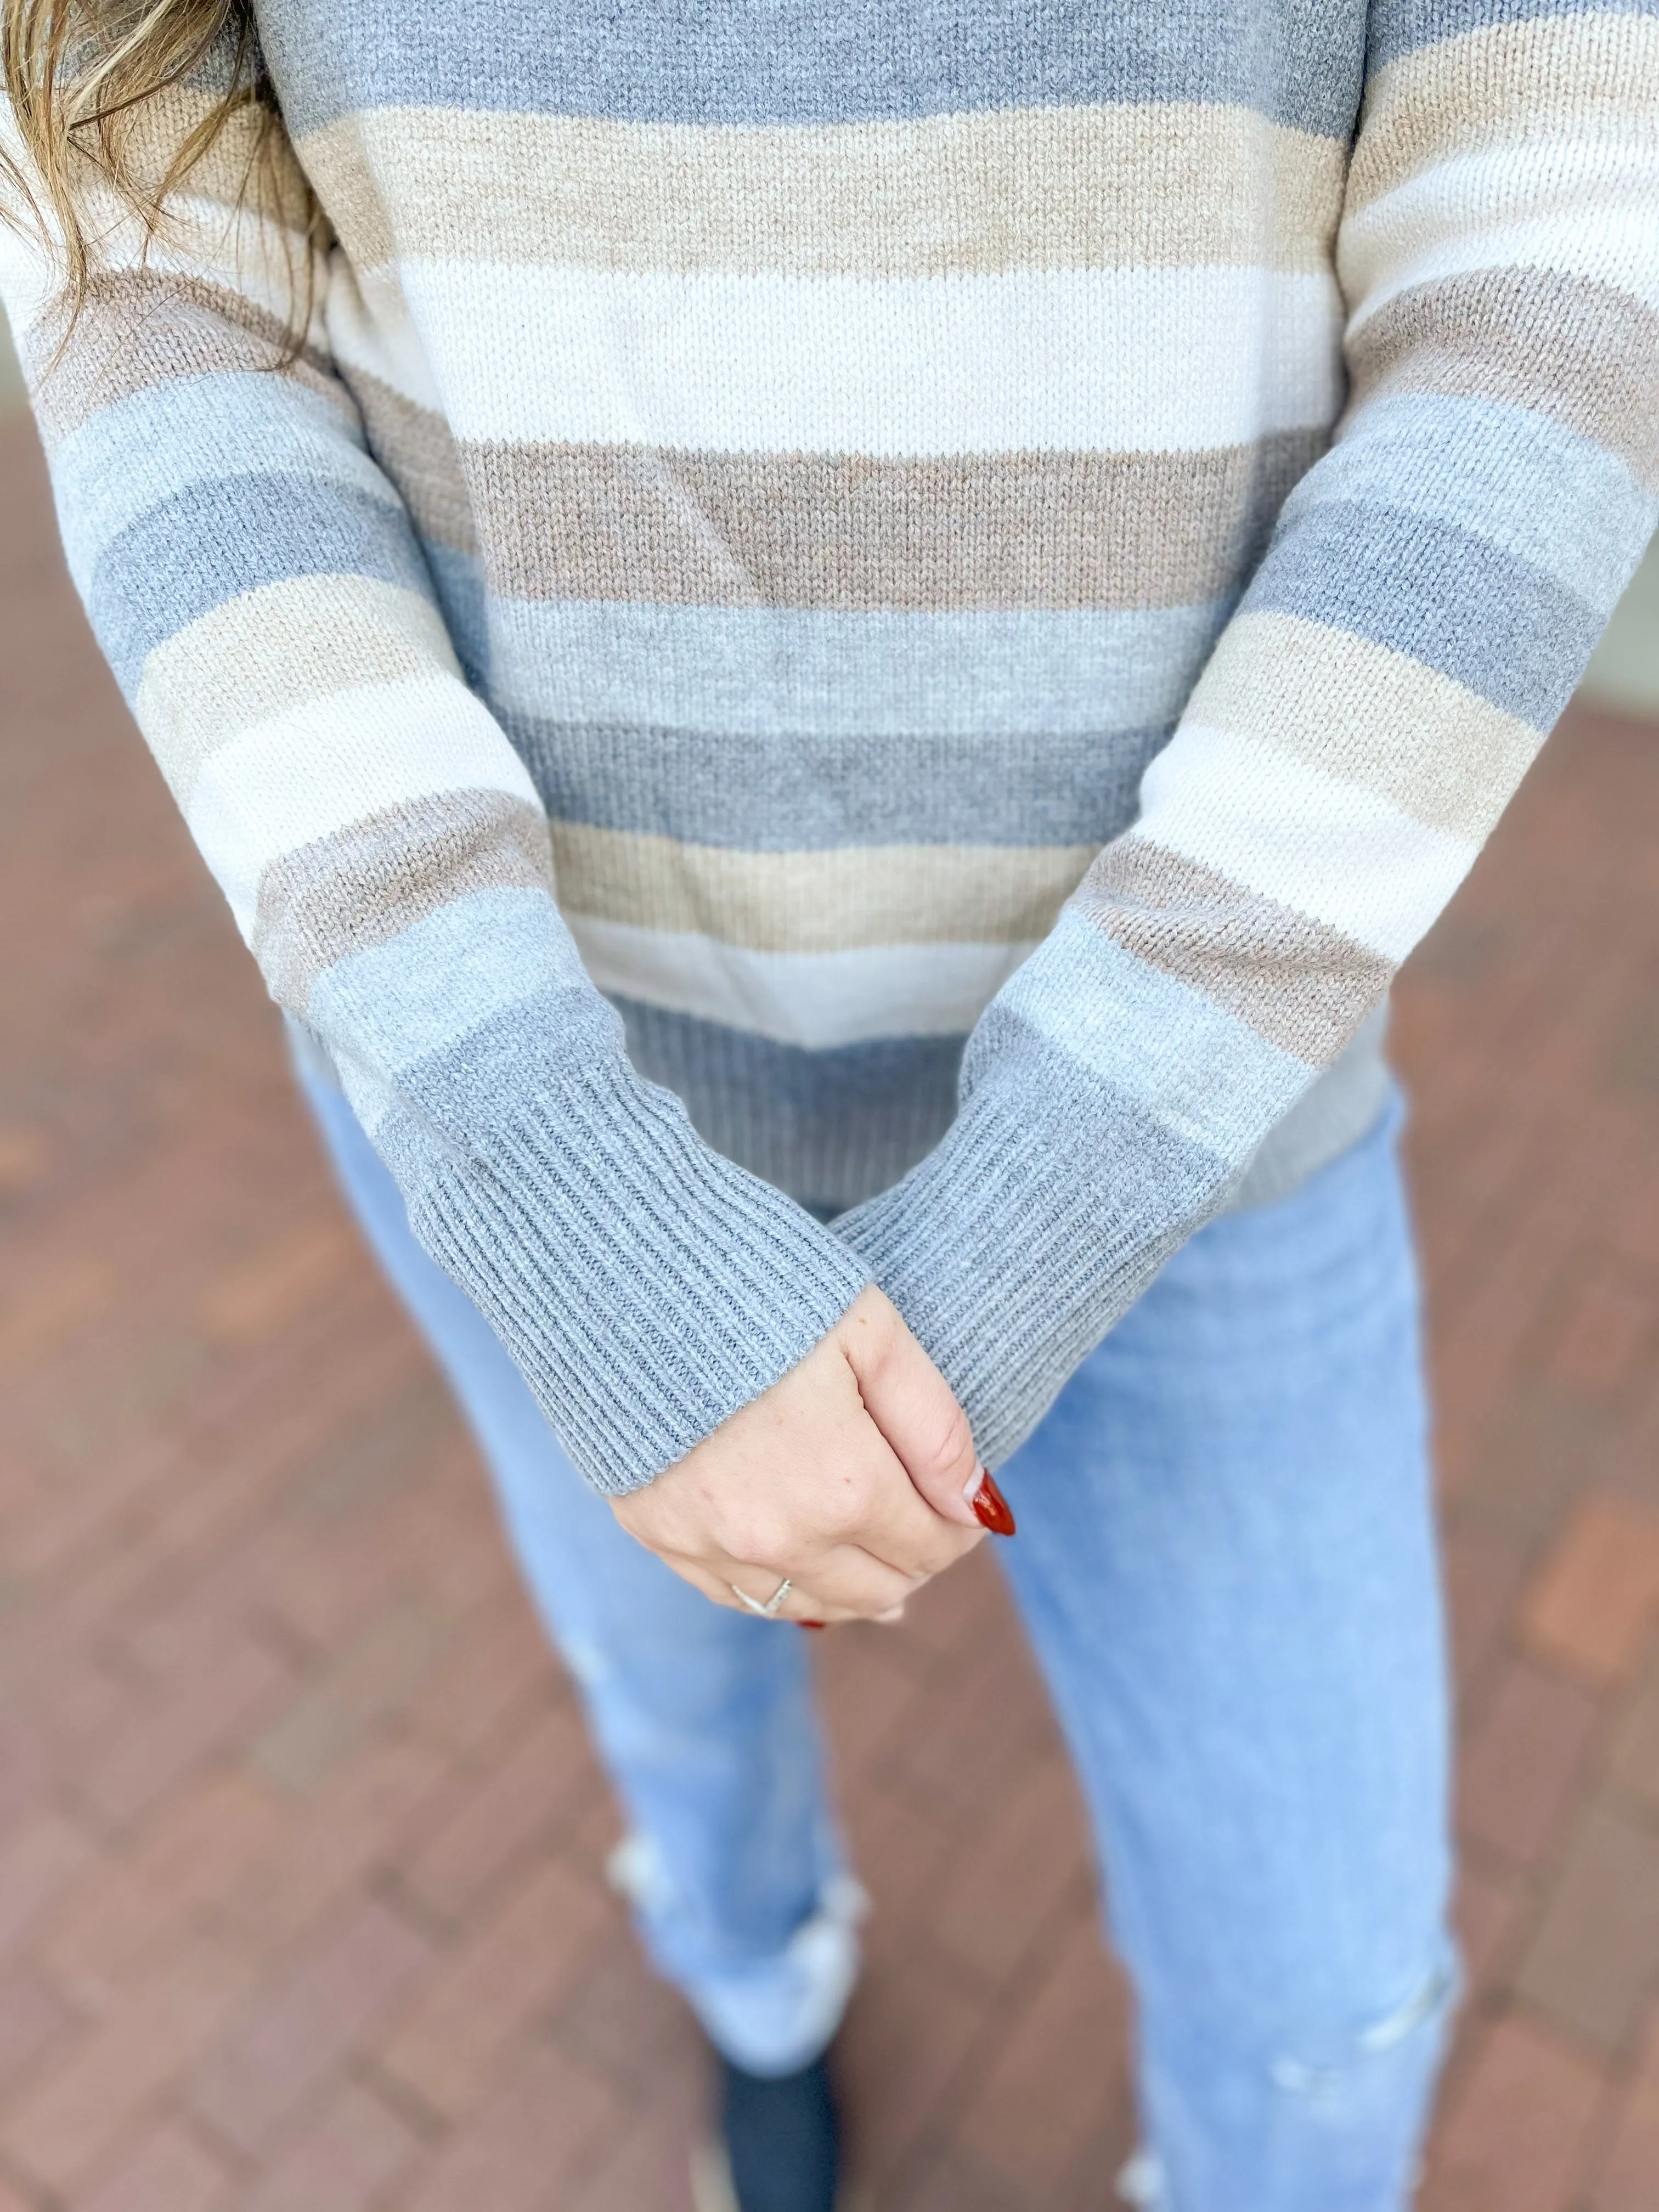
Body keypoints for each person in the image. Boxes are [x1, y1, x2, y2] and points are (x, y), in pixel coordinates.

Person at [3, 4, 1655, 2204]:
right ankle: (757, 1982)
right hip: (556, 1103)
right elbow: (162, 303)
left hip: (1201, 1141)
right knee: (679, 1709)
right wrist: (554, 1175)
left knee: (1327, 1994)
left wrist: (1057, 1185)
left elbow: (1544, 305)